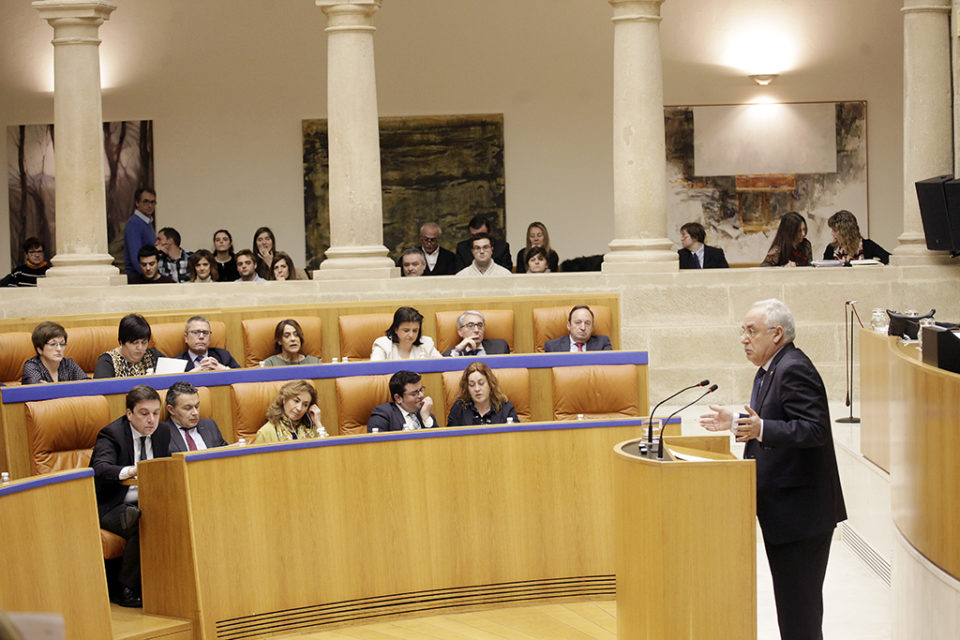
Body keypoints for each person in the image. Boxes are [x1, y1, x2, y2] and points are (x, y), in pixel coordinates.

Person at [700, 299, 846, 640]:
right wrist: (735, 421)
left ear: (777, 333)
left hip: (801, 516)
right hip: (785, 514)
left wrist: (761, 428)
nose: (743, 339)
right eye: (743, 331)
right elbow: (772, 422)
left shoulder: (794, 367)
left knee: (800, 615)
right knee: (793, 612)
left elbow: (814, 430)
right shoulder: (770, 369)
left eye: (751, 331)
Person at [90, 385, 171, 607]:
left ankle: (170, 583)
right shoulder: (112, 434)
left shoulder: (162, 432)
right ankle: (125, 588)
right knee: (140, 520)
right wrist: (130, 470)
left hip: (149, 501)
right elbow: (101, 468)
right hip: (111, 505)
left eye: (155, 413)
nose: (151, 420)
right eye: (144, 414)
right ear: (129, 414)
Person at [160, 381, 228, 452]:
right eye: (188, 408)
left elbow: (226, 455)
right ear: (171, 410)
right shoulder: (162, 434)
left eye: (197, 406)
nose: (195, 413)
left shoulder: (209, 425)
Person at [446, 362, 519, 426]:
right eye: (472, 385)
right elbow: (450, 439)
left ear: (490, 384)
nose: (477, 389)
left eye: (481, 383)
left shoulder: (506, 408)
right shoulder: (459, 408)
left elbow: (517, 437)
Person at [94, 314, 166, 378]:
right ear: (121, 342)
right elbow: (99, 390)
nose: (140, 348)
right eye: (135, 343)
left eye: (144, 343)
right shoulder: (107, 362)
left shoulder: (153, 355)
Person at [252, 379, 324, 443]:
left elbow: (326, 453)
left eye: (305, 405)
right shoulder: (266, 432)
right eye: (296, 401)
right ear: (284, 399)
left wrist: (318, 423)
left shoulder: (311, 429)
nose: (299, 408)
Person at [367, 370, 437, 432]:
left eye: (421, 390)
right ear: (398, 398)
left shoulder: (425, 413)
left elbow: (438, 442)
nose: (421, 395)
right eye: (414, 393)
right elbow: (378, 445)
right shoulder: (383, 415)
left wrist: (426, 418)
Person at [21, 321, 89, 384]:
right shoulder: (31, 367)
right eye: (53, 344)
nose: (59, 349)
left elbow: (88, 385)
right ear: (39, 349)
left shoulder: (69, 364)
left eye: (62, 344)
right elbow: (39, 392)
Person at [371, 306, 442, 360]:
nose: (411, 335)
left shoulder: (426, 343)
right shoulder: (383, 345)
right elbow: (375, 371)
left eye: (415, 330)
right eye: (406, 330)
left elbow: (442, 365)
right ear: (396, 329)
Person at [822, 209, 890, 264]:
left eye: (835, 230)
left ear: (845, 231)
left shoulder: (868, 245)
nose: (832, 234)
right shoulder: (831, 249)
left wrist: (873, 265)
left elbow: (889, 258)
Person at [175, 316, 241, 371]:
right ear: (186, 337)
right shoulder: (177, 362)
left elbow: (242, 377)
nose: (201, 336)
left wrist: (223, 369)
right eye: (195, 332)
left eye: (205, 333)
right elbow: (172, 384)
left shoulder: (223, 355)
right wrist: (194, 372)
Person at [544, 305, 613, 352]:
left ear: (592, 327)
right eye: (578, 322)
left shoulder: (603, 343)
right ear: (569, 325)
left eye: (587, 323)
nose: (583, 328)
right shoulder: (552, 347)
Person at [443, 310, 510, 357]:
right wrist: (457, 350)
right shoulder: (449, 354)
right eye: (470, 325)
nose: (476, 330)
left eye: (480, 325)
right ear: (460, 332)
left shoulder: (500, 346)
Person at [123, 187, 157, 281]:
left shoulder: (147, 222)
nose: (150, 205)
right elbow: (135, 258)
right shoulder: (134, 224)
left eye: (153, 202)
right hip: (138, 279)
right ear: (137, 203)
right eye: (146, 202)